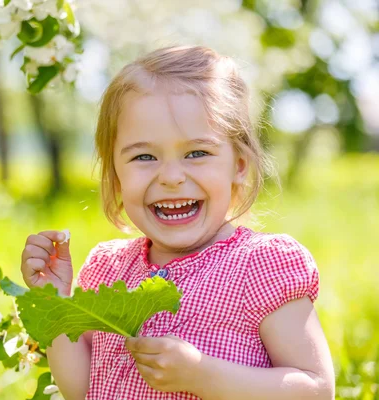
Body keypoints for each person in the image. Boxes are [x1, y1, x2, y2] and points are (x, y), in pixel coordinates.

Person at [20, 45, 335, 400]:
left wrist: (202, 375)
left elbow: (317, 390)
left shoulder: (260, 267)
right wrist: (57, 301)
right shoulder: (107, 271)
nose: (171, 176)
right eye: (144, 156)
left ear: (239, 165)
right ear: (115, 175)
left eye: (196, 153)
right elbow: (82, 390)